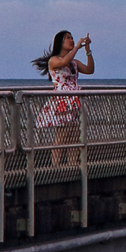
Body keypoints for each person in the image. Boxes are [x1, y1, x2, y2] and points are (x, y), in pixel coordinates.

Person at [31, 30, 94, 166]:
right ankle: (56, 166)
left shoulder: (74, 63)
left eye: (72, 38)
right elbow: (65, 60)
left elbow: (90, 70)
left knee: (74, 136)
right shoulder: (54, 60)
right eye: (68, 38)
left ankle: (72, 166)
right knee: (62, 136)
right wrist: (77, 46)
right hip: (62, 100)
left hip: (74, 100)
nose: (71, 40)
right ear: (60, 43)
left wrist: (88, 51)